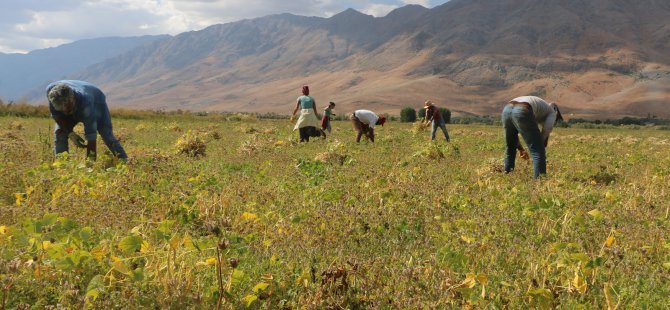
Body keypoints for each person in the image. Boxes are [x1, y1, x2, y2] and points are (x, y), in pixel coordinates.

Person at [46, 80, 127, 160]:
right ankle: (61, 164)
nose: (65, 112)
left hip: (97, 102)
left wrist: (90, 166)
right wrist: (70, 133)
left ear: (72, 98)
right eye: (61, 109)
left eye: (67, 108)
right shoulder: (52, 93)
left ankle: (124, 160)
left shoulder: (87, 102)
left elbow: (91, 137)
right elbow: (57, 116)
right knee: (60, 132)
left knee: (106, 135)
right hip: (75, 102)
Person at [502, 95, 563, 178]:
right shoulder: (552, 113)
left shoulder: (541, 108)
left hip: (507, 109)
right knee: (538, 150)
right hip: (522, 109)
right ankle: (539, 180)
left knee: (510, 146)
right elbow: (547, 130)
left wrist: (521, 149)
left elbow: (514, 135)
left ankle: (507, 174)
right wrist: (540, 146)